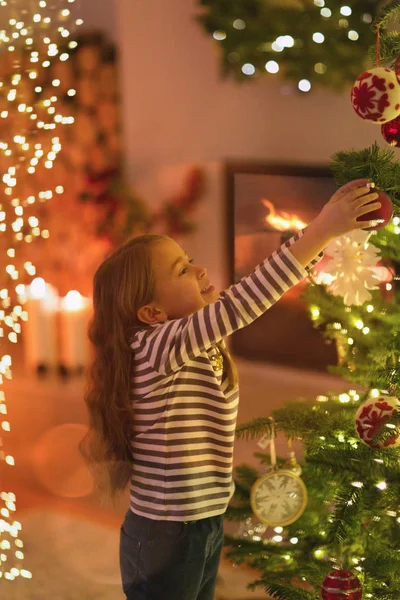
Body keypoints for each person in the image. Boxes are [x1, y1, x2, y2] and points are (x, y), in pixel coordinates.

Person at [80, 179, 380, 600]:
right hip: (167, 531)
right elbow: (242, 303)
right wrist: (322, 230)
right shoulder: (155, 345)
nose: (200, 270)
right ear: (151, 312)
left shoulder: (191, 344)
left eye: (190, 260)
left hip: (201, 520)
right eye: (182, 270)